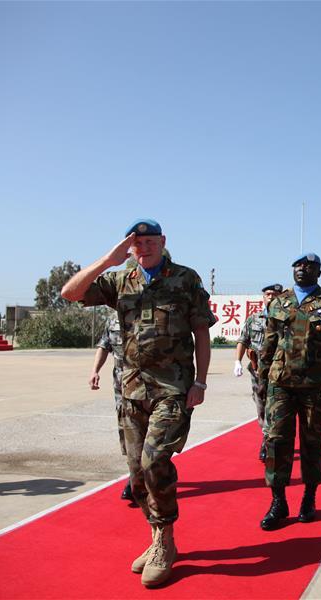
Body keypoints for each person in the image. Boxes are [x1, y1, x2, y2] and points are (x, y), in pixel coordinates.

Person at [61, 218, 216, 588]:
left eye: (149, 240)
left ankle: (165, 540)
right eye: (137, 242)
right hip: (131, 390)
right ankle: (156, 535)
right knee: (135, 475)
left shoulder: (185, 279)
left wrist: (200, 382)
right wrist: (108, 261)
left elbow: (201, 334)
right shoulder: (120, 281)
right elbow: (69, 293)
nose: (143, 246)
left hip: (173, 389)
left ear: (162, 241)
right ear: (130, 246)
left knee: (154, 460)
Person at [256, 252, 321, 531]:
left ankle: (309, 498)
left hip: (315, 385)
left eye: (309, 266)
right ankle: (278, 501)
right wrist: (263, 378)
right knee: (276, 442)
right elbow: (268, 343)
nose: (302, 269)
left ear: (319, 272)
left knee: (312, 442)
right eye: (298, 265)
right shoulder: (279, 302)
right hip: (280, 383)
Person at [234, 283, 282, 461]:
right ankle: (268, 436)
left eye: (274, 294)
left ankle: (269, 442)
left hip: (279, 373)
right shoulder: (253, 319)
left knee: (276, 408)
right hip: (257, 372)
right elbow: (243, 340)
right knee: (261, 408)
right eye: (268, 294)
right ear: (263, 297)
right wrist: (237, 361)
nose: (270, 297)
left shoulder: (286, 319)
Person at [90, 314, 134, 503]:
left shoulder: (144, 314)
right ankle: (135, 475)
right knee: (126, 432)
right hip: (121, 386)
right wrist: (95, 371)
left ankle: (140, 477)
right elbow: (104, 345)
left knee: (145, 433)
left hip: (147, 386)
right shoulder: (113, 319)